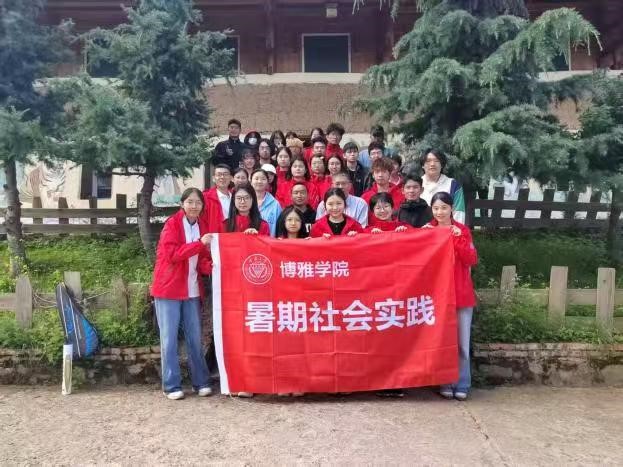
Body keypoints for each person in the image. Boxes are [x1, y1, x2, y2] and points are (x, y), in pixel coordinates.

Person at [151, 188, 213, 400]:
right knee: (169, 339)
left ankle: (201, 382)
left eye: (198, 202)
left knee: (195, 338)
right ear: (182, 204)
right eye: (190, 202)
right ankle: (171, 385)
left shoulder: (203, 225)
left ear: (202, 206)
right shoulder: (172, 224)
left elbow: (202, 258)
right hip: (169, 289)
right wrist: (199, 244)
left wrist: (213, 266)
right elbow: (173, 255)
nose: (194, 206)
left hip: (192, 289)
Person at [424, 191, 477, 401]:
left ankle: (462, 383)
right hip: (437, 297)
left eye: (444, 208)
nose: (440, 212)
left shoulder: (462, 230)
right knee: (443, 341)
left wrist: (458, 238)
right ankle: (445, 381)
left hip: (460, 294)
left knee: (462, 343)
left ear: (452, 209)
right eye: (436, 208)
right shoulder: (427, 231)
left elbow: (471, 259)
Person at [420, 149, 466, 223]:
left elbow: (459, 213)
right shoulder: (415, 185)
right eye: (428, 161)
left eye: (436, 161)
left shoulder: (453, 185)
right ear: (422, 165)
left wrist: (456, 229)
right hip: (420, 228)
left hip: (446, 228)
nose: (432, 164)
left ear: (442, 165)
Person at [250, 169, 282, 237]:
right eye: (256, 179)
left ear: (268, 182)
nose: (259, 181)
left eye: (263, 179)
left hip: (269, 241)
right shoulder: (245, 202)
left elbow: (280, 228)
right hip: (248, 241)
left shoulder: (275, 204)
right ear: (251, 181)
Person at [201, 164, 232, 232]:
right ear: (213, 178)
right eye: (219, 174)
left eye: (225, 174)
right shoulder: (206, 197)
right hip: (215, 236)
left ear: (230, 178)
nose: (222, 177)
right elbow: (202, 221)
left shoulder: (236, 196)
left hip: (235, 234)